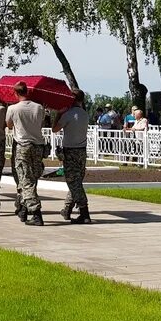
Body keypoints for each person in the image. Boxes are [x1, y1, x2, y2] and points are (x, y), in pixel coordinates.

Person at [6, 81, 48, 226]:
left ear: (16, 93)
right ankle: (24, 209)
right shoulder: (39, 107)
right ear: (27, 92)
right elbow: (41, 123)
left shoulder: (13, 108)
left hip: (22, 146)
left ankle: (36, 214)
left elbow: (9, 125)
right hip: (38, 146)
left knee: (25, 180)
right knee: (33, 177)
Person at [55, 89, 92, 224]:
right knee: (76, 181)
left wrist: (58, 114)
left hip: (70, 151)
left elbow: (55, 129)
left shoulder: (68, 114)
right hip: (82, 151)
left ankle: (84, 212)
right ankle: (67, 209)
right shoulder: (85, 115)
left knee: (73, 182)